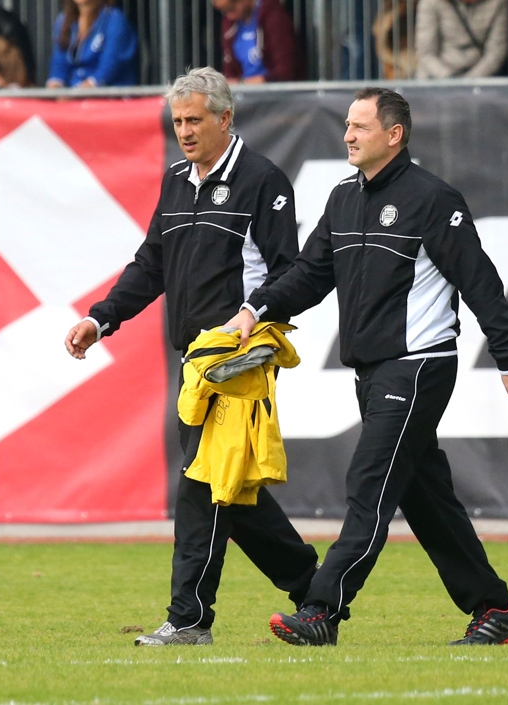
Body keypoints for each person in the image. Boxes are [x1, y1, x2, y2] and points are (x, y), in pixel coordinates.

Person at [223, 87, 508, 647]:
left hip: (418, 367)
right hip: (372, 374)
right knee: (424, 496)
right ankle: (497, 608)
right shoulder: (343, 198)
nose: (347, 135)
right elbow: (309, 275)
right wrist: (256, 309)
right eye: (347, 125)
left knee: (370, 481)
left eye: (360, 126)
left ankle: (321, 608)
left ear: (394, 135)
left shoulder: (433, 200)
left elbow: (479, 280)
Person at [64, 67, 318, 646]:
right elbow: (151, 265)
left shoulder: (263, 181)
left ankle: (188, 620)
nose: (184, 131)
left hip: (237, 360)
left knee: (200, 486)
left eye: (194, 120)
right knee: (232, 490)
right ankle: (316, 589)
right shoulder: (176, 181)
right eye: (177, 121)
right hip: (194, 363)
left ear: (225, 119)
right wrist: (100, 318)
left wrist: (252, 320)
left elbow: (289, 272)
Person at [46, 0, 138, 88]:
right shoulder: (63, 21)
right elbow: (58, 63)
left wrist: (84, 89)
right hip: (74, 95)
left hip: (109, 96)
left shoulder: (114, 19)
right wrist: (55, 85)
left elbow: (110, 65)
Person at [211, 0, 302, 83]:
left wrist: (247, 83)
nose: (230, 16)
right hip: (245, 93)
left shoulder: (273, 16)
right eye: (224, 11)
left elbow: (285, 69)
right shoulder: (230, 23)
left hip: (274, 91)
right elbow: (229, 68)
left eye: (232, 8)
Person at [415, 0, 508, 79]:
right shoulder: (431, 2)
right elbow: (426, 53)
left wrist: (469, 81)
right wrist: (450, 77)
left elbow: (496, 51)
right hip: (436, 78)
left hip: (481, 77)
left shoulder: (498, 3)